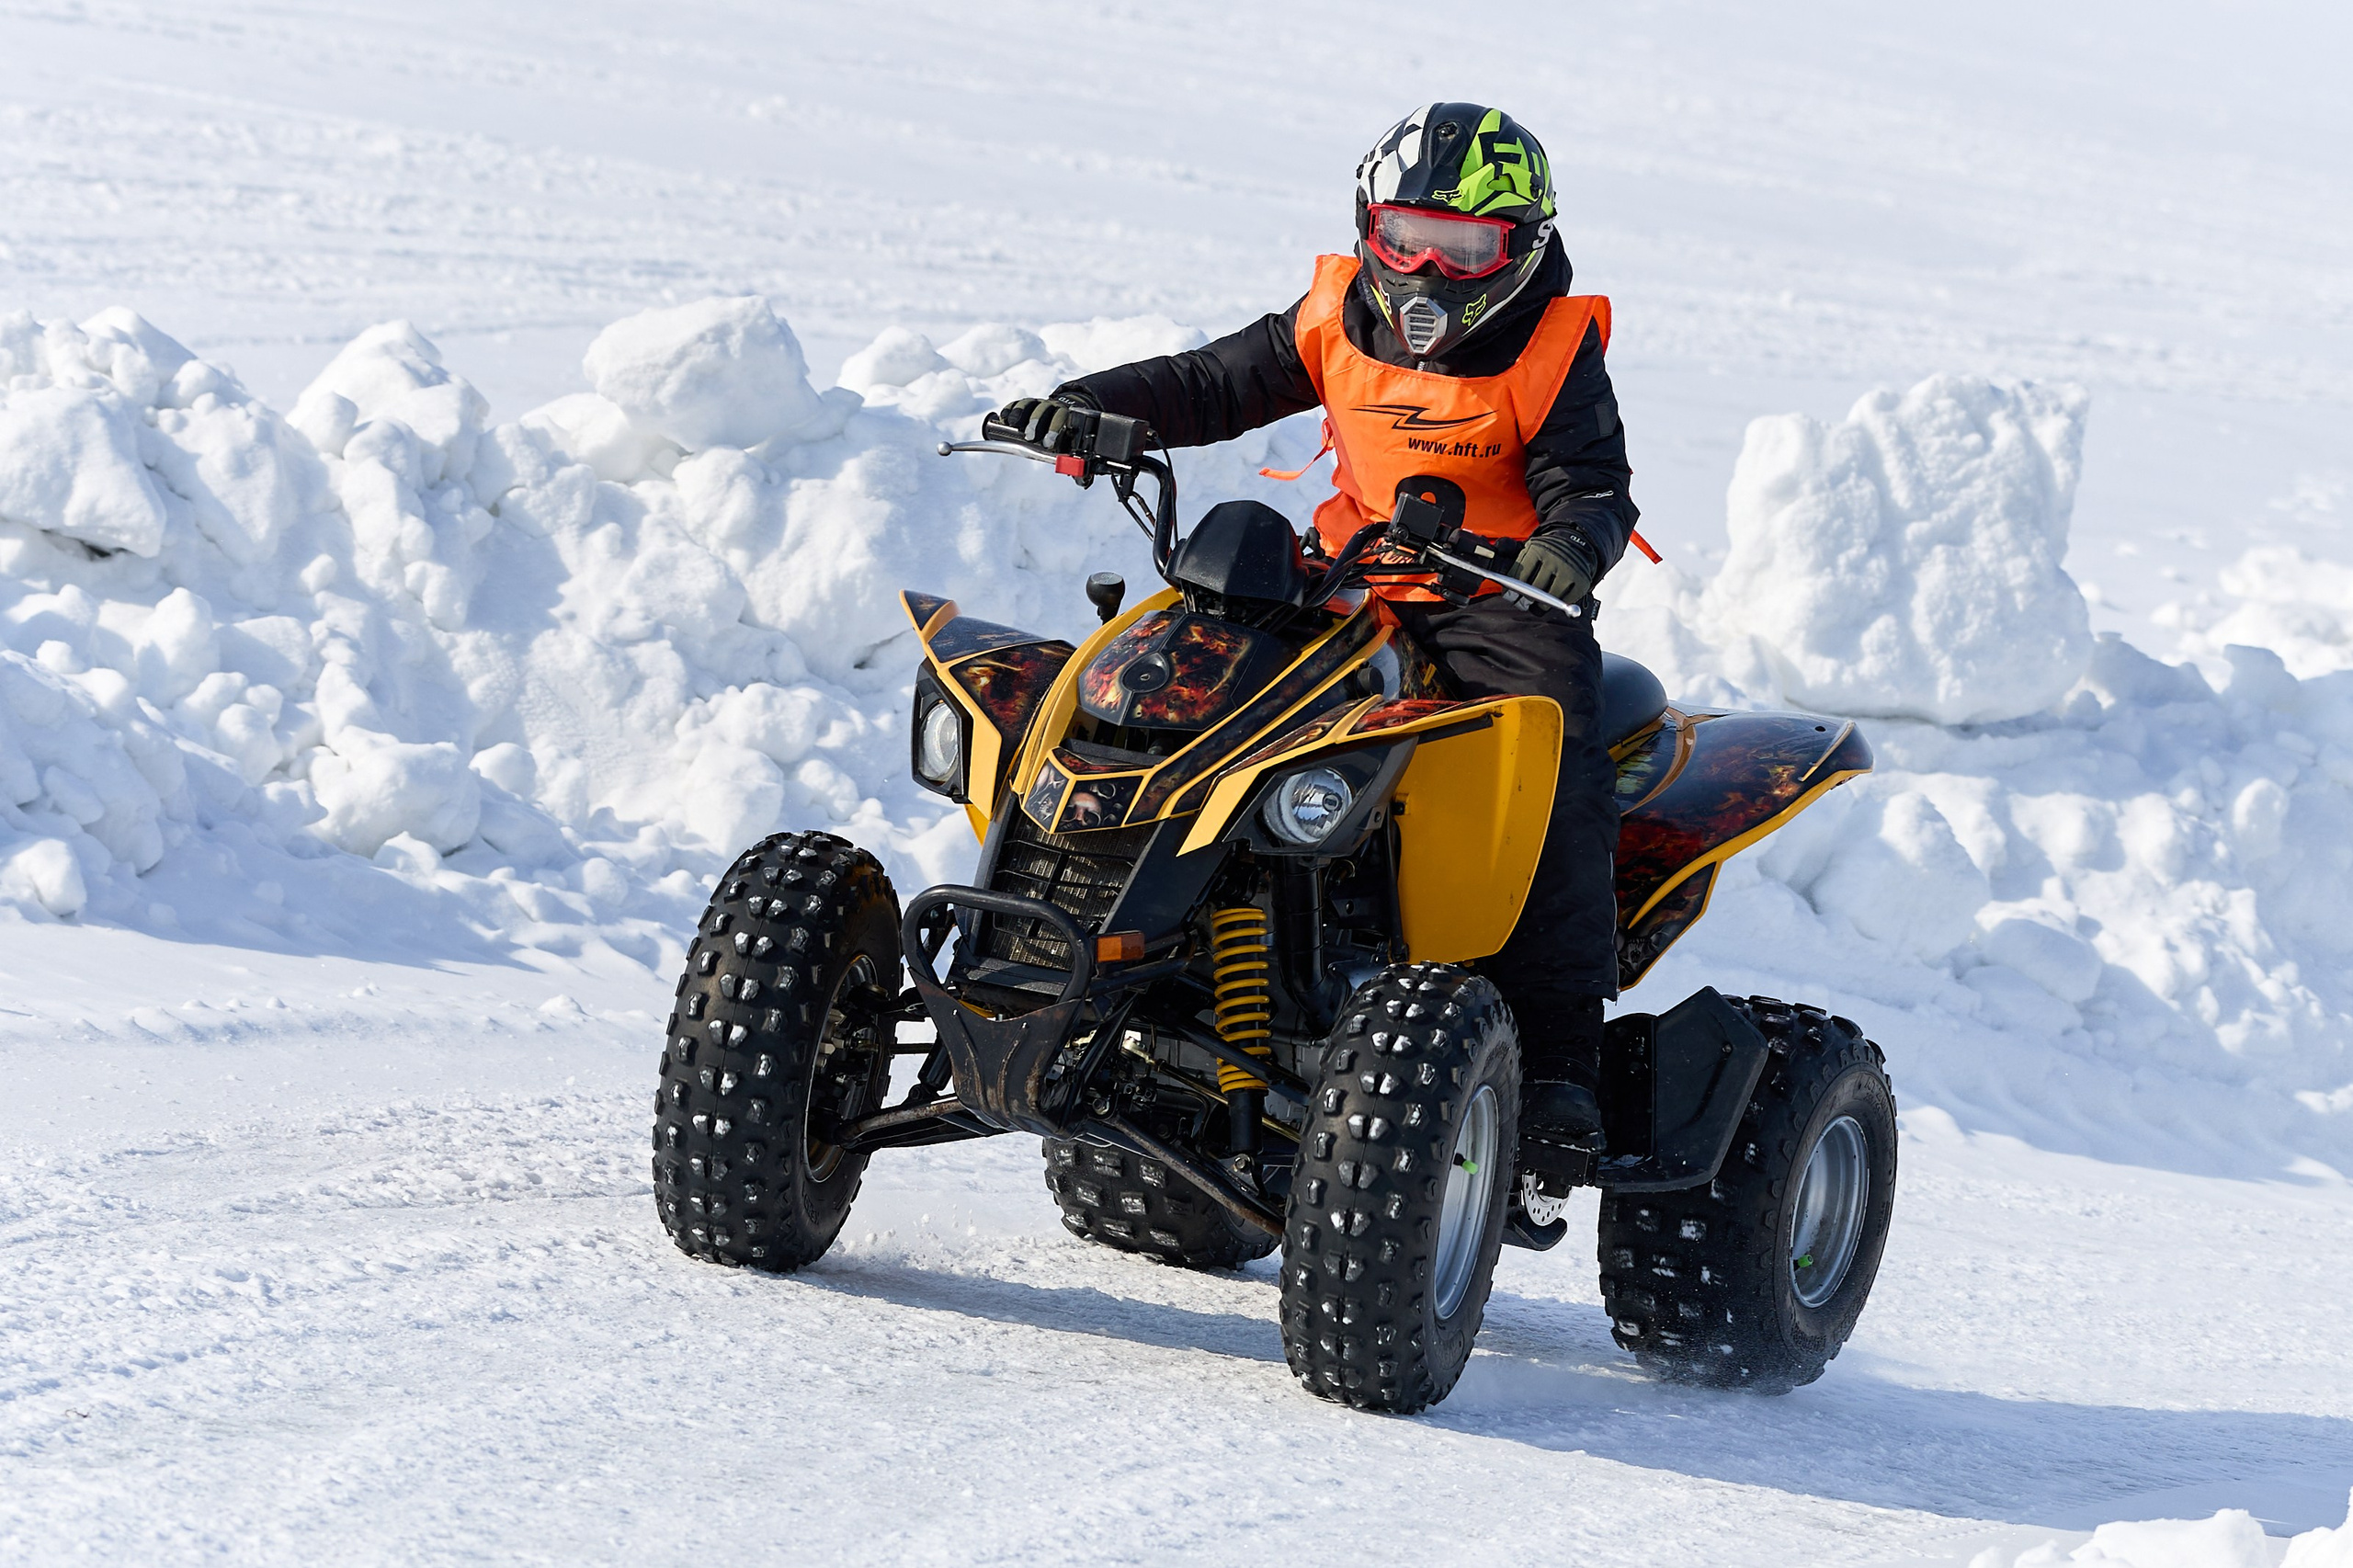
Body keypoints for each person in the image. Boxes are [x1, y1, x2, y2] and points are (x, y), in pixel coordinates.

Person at [995, 103, 1639, 1199]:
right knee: (1188, 667)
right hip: (1347, 571)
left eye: (1466, 247)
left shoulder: (1553, 344)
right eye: (1407, 236)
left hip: (1498, 595)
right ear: (1367, 228)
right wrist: (1087, 405)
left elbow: (1592, 482)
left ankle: (1563, 1062)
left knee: (1553, 773)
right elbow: (1211, 384)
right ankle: (1126, 941)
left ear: (1520, 247)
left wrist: (1572, 548)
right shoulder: (1336, 310)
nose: (1431, 268)